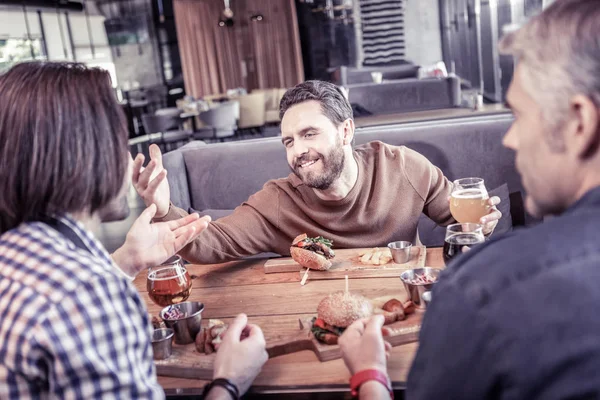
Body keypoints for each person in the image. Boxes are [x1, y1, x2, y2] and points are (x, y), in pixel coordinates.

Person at [338, 0, 600, 398]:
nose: (510, 139)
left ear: (579, 122)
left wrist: (369, 373)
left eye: (519, 115)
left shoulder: (484, 290)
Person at [0, 62, 267, 399]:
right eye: (121, 142)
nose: (130, 161)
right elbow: (77, 302)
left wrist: (125, 261)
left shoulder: (16, 258)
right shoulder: (88, 297)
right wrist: (229, 380)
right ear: (86, 157)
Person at [133, 81, 502, 264]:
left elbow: (458, 218)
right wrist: (165, 209)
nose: (298, 151)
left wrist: (482, 224)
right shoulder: (278, 201)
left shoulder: (401, 165)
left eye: (309, 134)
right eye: (288, 141)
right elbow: (209, 244)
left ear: (345, 131)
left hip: (404, 301)